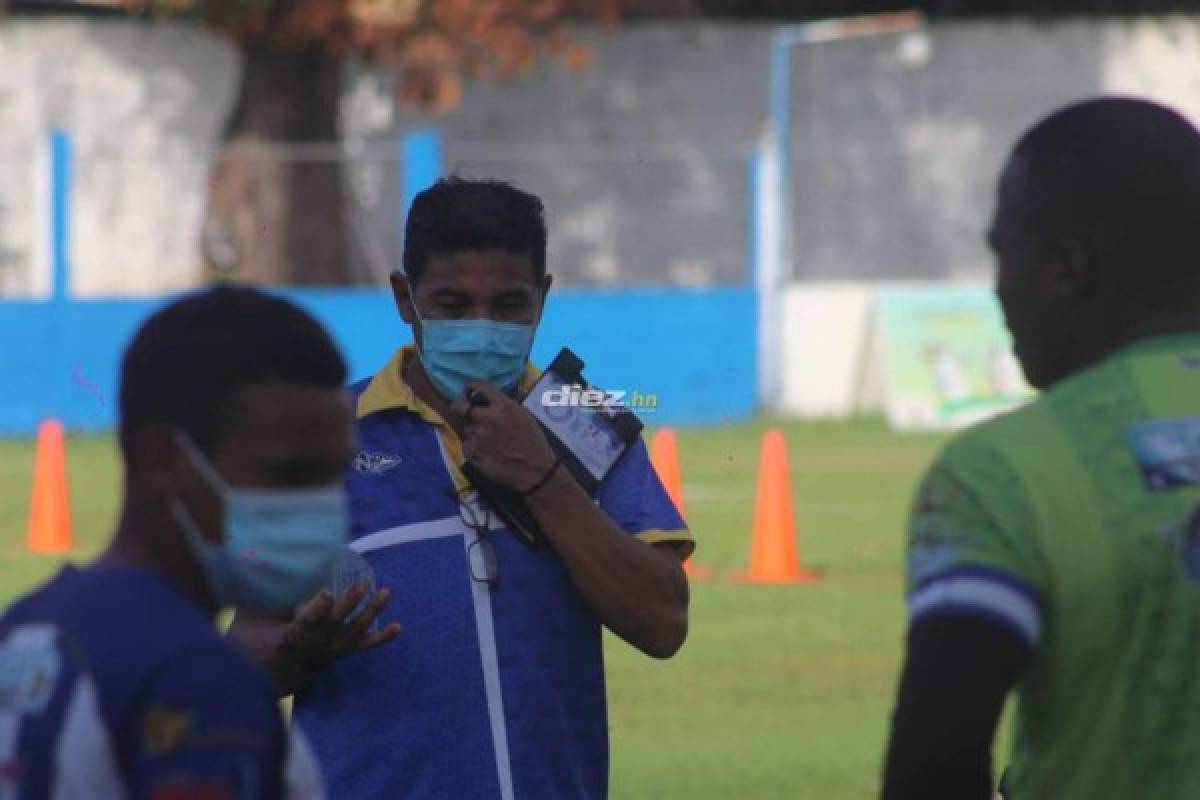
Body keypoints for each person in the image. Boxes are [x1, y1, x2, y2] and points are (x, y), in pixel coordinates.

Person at [232, 177, 693, 799]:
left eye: (508, 307)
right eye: (450, 305)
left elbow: (663, 623)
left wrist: (541, 477)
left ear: (543, 298)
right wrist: (296, 650)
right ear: (404, 297)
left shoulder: (584, 423)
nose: (480, 330)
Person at [882, 96, 1200, 800]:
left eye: (1003, 253)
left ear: (1067, 269)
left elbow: (932, 770)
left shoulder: (1002, 474)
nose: (997, 289)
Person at [0, 286, 355, 798]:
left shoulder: (29, 628)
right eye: (290, 474)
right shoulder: (195, 677)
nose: (321, 507)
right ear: (163, 459)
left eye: (333, 477)